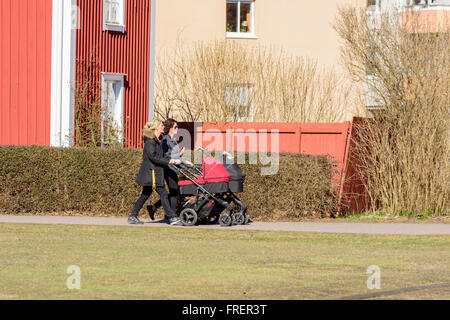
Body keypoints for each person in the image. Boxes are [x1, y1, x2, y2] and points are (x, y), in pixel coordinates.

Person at [128, 120, 182, 225]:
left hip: (155, 172)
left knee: (145, 194)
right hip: (151, 172)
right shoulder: (150, 142)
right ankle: (172, 217)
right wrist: (168, 161)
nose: (163, 127)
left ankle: (132, 216)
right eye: (161, 125)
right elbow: (154, 157)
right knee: (163, 193)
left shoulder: (158, 140)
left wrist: (172, 159)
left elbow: (161, 156)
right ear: (156, 128)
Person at [147, 119, 193, 220]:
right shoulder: (165, 140)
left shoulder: (173, 140)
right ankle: (171, 216)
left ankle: (154, 207)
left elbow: (173, 154)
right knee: (174, 191)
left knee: (174, 191)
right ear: (170, 128)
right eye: (175, 127)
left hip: (173, 167)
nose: (177, 129)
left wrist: (181, 156)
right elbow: (163, 155)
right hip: (167, 167)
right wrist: (180, 156)